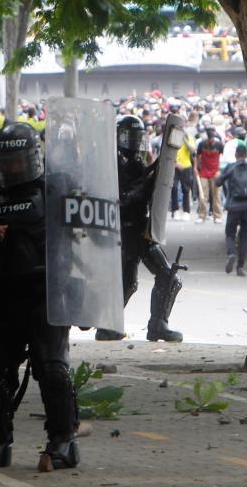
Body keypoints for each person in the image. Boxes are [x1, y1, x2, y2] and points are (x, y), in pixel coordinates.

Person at [0, 122, 79, 470]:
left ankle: (63, 441)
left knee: (52, 370)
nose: (12, 167)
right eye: (5, 160)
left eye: (18, 160)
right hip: (2, 294)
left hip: (46, 292)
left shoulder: (57, 189)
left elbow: (90, 233)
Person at [95, 116, 183, 343]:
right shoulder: (110, 163)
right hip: (123, 230)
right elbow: (120, 199)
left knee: (168, 276)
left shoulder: (137, 162)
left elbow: (146, 187)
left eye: (137, 137)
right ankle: (107, 325)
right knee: (128, 282)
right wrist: (145, 185)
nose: (133, 141)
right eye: (128, 136)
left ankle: (158, 325)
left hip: (140, 227)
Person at [216, 144, 247, 276]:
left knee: (230, 233)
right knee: (244, 236)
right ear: (246, 155)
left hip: (234, 206)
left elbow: (218, 182)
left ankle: (231, 253)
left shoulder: (231, 167)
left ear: (235, 154)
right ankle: (240, 267)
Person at [195, 128, 224, 223]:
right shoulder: (202, 144)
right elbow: (197, 156)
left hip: (216, 172)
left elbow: (223, 157)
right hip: (203, 172)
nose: (211, 141)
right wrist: (195, 168)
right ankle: (202, 215)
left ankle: (217, 216)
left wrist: (220, 170)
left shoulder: (219, 145)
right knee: (203, 195)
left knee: (217, 195)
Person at [170, 128, 195, 221]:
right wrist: (176, 163)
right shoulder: (173, 137)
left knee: (186, 189)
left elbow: (193, 150)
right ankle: (175, 210)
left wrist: (185, 140)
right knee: (174, 187)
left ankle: (186, 211)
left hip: (186, 166)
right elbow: (170, 151)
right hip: (175, 165)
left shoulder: (189, 137)